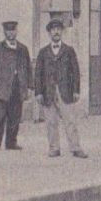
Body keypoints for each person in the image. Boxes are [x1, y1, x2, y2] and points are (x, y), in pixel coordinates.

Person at [35, 19, 88, 158]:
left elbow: (75, 72)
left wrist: (76, 90)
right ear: (49, 33)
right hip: (48, 91)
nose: (56, 32)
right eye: (53, 30)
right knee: (51, 121)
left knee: (70, 120)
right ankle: (54, 148)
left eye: (59, 29)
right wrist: (38, 92)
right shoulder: (43, 52)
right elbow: (38, 73)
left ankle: (75, 148)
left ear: (62, 32)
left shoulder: (69, 51)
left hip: (66, 90)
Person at [0, 20, 34, 151]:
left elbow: (28, 69)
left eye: (13, 30)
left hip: (18, 87)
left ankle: (11, 142)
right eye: (8, 31)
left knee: (15, 117)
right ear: (4, 32)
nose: (11, 33)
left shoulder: (23, 49)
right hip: (2, 88)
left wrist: (30, 86)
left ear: (16, 31)